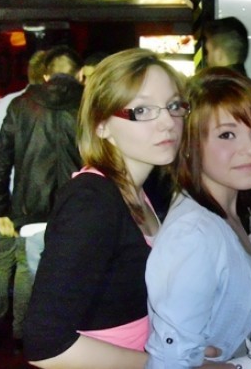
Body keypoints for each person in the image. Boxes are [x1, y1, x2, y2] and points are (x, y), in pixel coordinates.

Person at [23, 48, 189, 368]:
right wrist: (160, 364)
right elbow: (45, 342)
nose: (168, 122)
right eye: (142, 110)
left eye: (173, 105)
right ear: (101, 126)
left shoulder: (139, 190)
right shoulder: (91, 201)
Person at [145, 67, 251, 369]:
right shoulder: (193, 234)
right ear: (189, 144)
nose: (250, 148)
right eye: (227, 134)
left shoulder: (228, 214)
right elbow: (169, 364)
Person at [0, 45, 83, 351]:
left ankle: (30, 339)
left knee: (34, 277)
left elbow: (0, 160)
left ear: (45, 75)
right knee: (75, 279)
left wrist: (1, 208)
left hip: (32, 212)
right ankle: (71, 342)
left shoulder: (21, 105)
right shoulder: (88, 104)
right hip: (78, 210)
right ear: (80, 75)